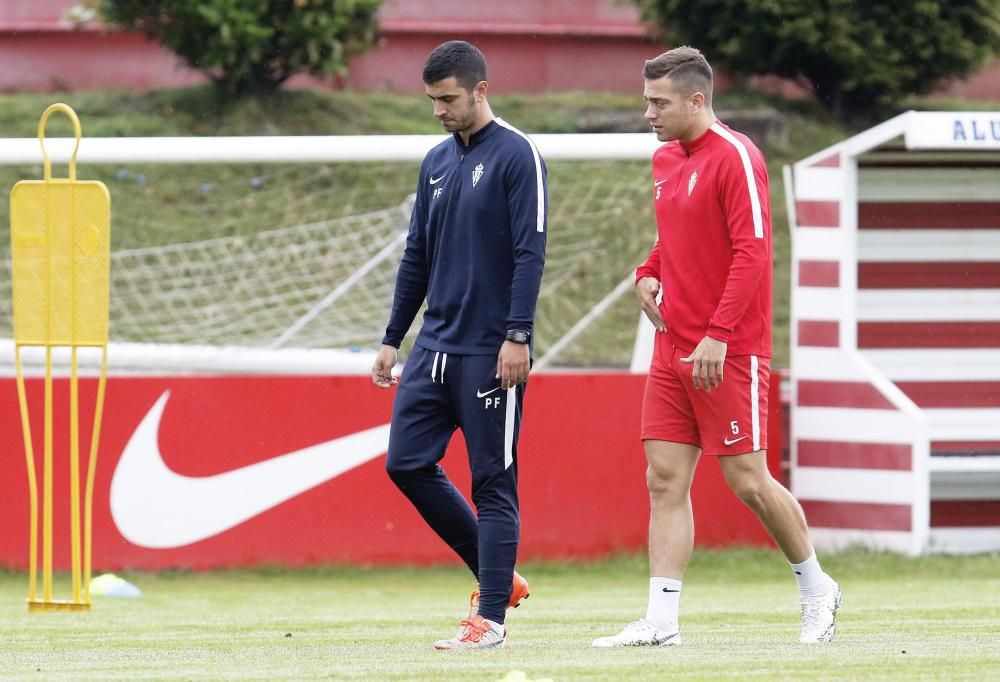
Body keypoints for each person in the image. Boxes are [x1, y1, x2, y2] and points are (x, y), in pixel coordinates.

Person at [592, 46, 841, 648]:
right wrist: (647, 270)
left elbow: (753, 250)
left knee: (749, 480)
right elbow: (673, 235)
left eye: (659, 102)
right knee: (663, 478)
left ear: (697, 100)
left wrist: (718, 336)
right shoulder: (664, 160)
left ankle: (817, 588)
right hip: (674, 343)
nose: (647, 112)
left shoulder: (737, 156)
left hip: (728, 348)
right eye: (646, 100)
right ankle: (661, 622)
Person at [371, 40, 547, 651]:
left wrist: (517, 335)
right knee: (406, 462)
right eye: (432, 101)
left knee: (492, 481)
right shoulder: (437, 162)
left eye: (448, 99)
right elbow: (417, 252)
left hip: (489, 350)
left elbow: (531, 250)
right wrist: (394, 337)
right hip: (433, 347)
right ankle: (500, 579)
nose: (440, 110)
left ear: (480, 91)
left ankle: (491, 619)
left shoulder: (517, 155)